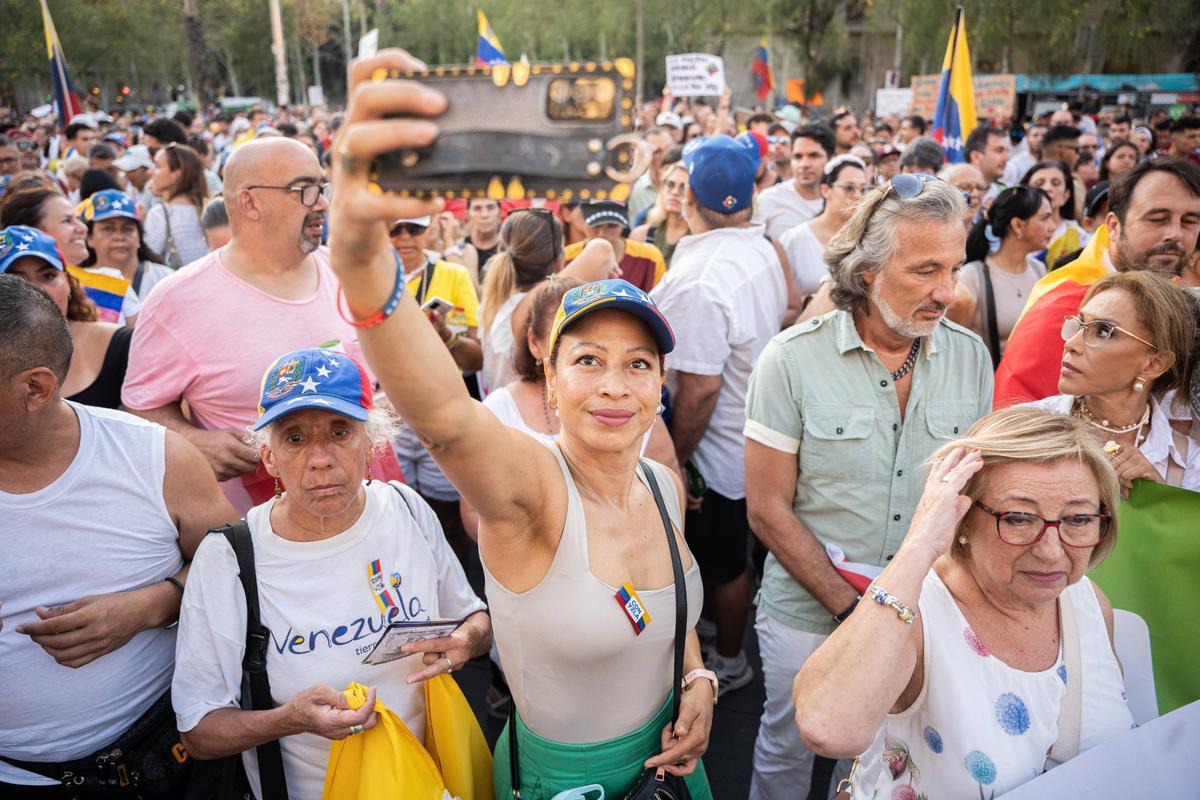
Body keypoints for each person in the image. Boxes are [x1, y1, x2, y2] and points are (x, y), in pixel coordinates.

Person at [329, 50, 718, 799]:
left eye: (639, 365)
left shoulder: (662, 486)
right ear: (547, 372)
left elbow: (665, 609)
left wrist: (697, 678)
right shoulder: (531, 487)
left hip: (674, 766)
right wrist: (360, 255)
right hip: (566, 783)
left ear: (661, 383)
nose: (614, 386)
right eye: (589, 361)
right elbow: (443, 416)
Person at [743, 174, 993, 799]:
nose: (946, 291)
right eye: (923, 270)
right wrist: (858, 613)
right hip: (807, 610)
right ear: (865, 271)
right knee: (788, 749)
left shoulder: (970, 356)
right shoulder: (790, 360)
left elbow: (971, 494)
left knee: (893, 759)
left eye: (954, 268)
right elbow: (768, 510)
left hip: (927, 610)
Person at [172, 347, 491, 799]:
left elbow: (475, 621)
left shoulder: (405, 507)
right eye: (295, 439)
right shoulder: (230, 558)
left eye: (340, 432)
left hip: (434, 779)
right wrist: (289, 720)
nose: (319, 459)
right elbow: (199, 733)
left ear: (372, 445)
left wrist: (465, 642)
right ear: (269, 458)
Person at [793, 408, 1133, 798]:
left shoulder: (1089, 604)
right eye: (1020, 518)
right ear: (963, 519)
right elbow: (828, 729)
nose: (1052, 551)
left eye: (1077, 520)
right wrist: (919, 543)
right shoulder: (917, 615)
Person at [0, 274, 233, 793]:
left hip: (167, 761)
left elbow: (240, 568)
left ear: (35, 387)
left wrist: (150, 607)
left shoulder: (154, 457)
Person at [121, 137, 388, 514]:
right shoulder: (177, 301)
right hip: (269, 534)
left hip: (376, 508)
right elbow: (137, 411)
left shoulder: (348, 272)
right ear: (249, 202)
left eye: (323, 188)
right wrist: (194, 440)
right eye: (305, 190)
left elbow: (385, 378)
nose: (323, 203)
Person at [651, 135, 788, 696]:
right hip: (748, 435)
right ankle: (714, 632)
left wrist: (675, 460)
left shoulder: (701, 280)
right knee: (721, 559)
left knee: (727, 564)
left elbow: (701, 390)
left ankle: (731, 661)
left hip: (718, 451)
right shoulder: (758, 246)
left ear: (688, 199)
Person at [995, 158, 1200, 407]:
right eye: (1157, 219)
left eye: (1189, 221)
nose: (1175, 234)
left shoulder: (1186, 298)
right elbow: (1017, 422)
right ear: (1113, 226)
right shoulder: (1062, 305)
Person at [1031, 272, 1197, 494]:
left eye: (1102, 331)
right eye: (1080, 325)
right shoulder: (1025, 427)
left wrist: (1157, 498)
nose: (1071, 344)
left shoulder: (1188, 462)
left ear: (1154, 364)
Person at [389, 213, 482, 561]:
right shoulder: (371, 279)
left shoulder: (452, 275)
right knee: (397, 517)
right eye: (394, 229)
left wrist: (447, 336)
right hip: (390, 416)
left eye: (413, 228)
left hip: (439, 409)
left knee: (447, 521)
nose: (403, 237)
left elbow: (476, 360)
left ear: (430, 229)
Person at [477, 208, 614, 396]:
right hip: (519, 419)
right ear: (559, 260)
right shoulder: (531, 305)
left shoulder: (496, 300)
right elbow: (602, 249)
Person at [949, 187, 1054, 363]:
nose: (1052, 227)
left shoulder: (1038, 269)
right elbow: (956, 351)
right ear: (1017, 225)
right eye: (1044, 218)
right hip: (990, 384)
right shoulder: (973, 277)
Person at [778, 155, 868, 295]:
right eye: (849, 188)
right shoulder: (794, 239)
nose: (858, 196)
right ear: (825, 190)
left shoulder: (870, 237)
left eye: (863, 189)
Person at [78, 188, 173, 303]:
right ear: (89, 238)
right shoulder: (77, 285)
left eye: (127, 229)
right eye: (108, 229)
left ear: (139, 237)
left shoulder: (165, 279)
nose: (119, 236)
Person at [564, 201, 665, 292]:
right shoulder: (567, 256)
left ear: (623, 226)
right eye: (596, 225)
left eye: (612, 225)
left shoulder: (650, 257)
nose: (602, 232)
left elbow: (660, 298)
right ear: (583, 224)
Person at [756, 124, 835, 240]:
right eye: (798, 157)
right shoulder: (768, 199)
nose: (804, 164)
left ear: (831, 159)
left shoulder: (841, 201)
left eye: (813, 156)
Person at [143, 143, 209, 267]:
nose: (150, 172)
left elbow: (148, 263)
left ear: (176, 174)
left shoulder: (160, 214)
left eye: (157, 166)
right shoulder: (208, 209)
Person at [1022, 160, 1086, 267]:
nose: (1047, 188)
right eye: (1039, 183)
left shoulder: (1080, 238)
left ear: (1066, 195)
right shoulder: (1017, 232)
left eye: (1055, 183)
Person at [630, 157, 689, 268]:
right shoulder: (641, 235)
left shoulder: (698, 238)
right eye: (670, 185)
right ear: (662, 188)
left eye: (684, 187)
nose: (675, 192)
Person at [627, 126, 676, 221]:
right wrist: (636, 168)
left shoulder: (686, 184)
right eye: (657, 151)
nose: (666, 155)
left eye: (669, 148)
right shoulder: (637, 187)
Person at [461, 197, 502, 285]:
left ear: (500, 212)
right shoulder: (459, 250)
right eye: (477, 208)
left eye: (490, 208)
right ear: (467, 214)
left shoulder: (510, 250)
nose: (484, 215)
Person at [964, 125, 1010, 198]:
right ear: (976, 156)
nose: (1007, 158)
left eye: (1007, 151)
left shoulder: (1005, 195)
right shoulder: (953, 194)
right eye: (999, 150)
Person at [939, 162, 986, 229]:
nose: (975, 194)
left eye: (980, 187)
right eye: (964, 187)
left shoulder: (986, 230)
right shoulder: (934, 232)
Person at [114, 144, 156, 211]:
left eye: (132, 170)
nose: (127, 175)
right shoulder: (128, 189)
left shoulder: (157, 192)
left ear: (147, 169)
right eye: (125, 170)